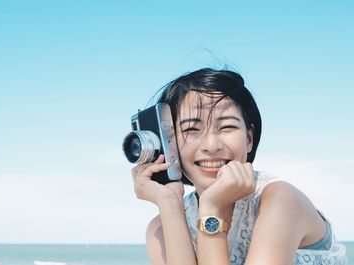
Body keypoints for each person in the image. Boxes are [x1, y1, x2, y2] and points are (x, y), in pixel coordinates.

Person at [131, 68, 348, 265]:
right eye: (192, 129)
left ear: (249, 139)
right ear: (170, 144)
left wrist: (212, 209)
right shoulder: (160, 227)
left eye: (227, 126)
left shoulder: (280, 200)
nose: (212, 145)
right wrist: (169, 204)